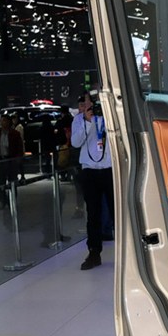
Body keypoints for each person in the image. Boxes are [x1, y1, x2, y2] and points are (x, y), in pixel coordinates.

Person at [71, 92, 114, 271]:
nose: (86, 105)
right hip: (89, 170)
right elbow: (75, 142)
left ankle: (127, 251)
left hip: (109, 169)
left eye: (89, 102)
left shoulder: (109, 116)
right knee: (93, 213)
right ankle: (94, 252)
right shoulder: (79, 120)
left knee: (116, 211)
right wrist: (88, 123)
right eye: (83, 102)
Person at [0, 114, 24, 208]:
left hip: (11, 160)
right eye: (1, 120)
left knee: (12, 181)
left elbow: (19, 147)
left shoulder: (15, 134)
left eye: (4, 120)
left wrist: (18, 159)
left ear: (9, 122)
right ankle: (2, 200)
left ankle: (12, 200)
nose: (2, 122)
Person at [10, 113, 26, 183]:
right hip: (14, 148)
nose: (14, 120)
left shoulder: (19, 127)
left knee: (20, 163)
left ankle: (22, 176)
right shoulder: (13, 127)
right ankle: (17, 176)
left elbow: (20, 137)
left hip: (19, 147)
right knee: (17, 164)